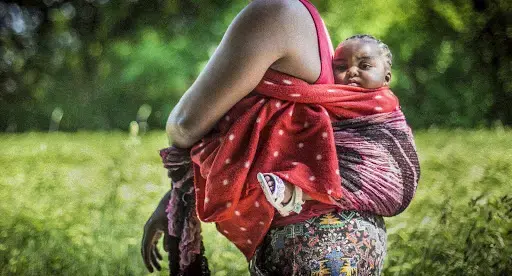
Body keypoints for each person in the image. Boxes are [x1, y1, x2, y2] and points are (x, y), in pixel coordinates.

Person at [141, 1, 419, 275]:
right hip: (354, 238)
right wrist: (175, 196)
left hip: (318, 242)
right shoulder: (314, 25)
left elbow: (184, 125)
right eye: (343, 65)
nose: (350, 72)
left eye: (364, 65)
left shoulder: (275, 11)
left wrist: (180, 179)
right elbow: (272, 137)